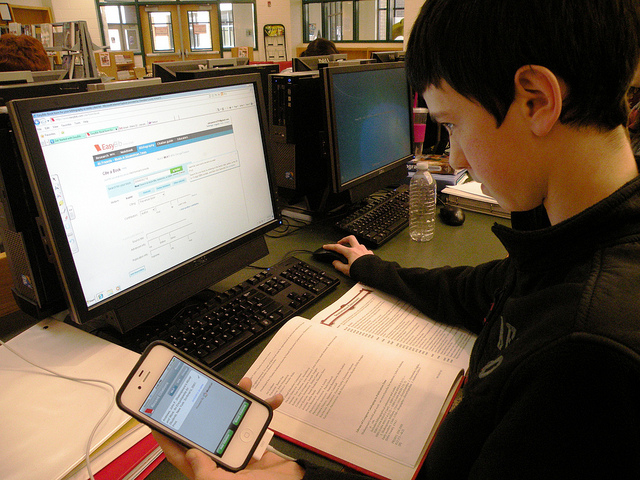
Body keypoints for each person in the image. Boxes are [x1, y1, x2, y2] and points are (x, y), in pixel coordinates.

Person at [153, 0, 640, 478]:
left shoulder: (586, 355)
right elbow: (479, 291)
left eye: (452, 125)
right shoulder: (573, 240)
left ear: (537, 99)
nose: (455, 161)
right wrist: (372, 268)